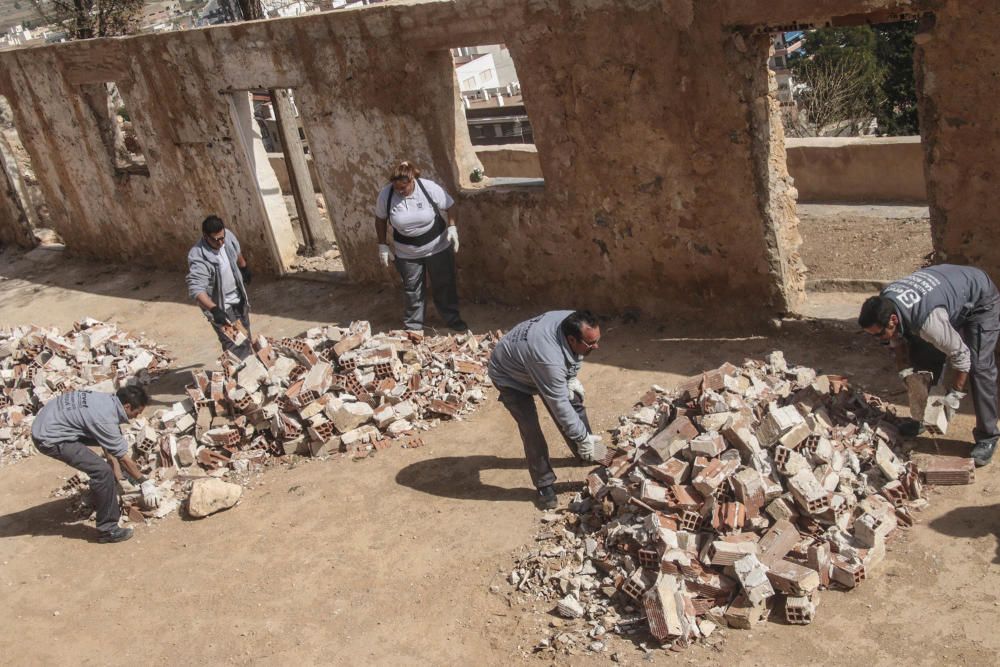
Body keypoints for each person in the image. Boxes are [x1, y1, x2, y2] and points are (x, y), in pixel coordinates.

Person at [858, 264, 1000, 466]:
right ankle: (922, 419)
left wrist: (954, 396)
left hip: (979, 299)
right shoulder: (885, 302)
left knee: (979, 366)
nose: (878, 340)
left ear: (893, 320)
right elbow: (896, 341)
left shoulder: (928, 323)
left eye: (880, 334)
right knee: (923, 358)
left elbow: (961, 355)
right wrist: (906, 373)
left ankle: (988, 437)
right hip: (948, 291)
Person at [488, 310, 605, 509]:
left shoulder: (571, 320)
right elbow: (558, 405)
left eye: (597, 340)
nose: (597, 346)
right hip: (509, 376)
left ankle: (590, 452)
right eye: (591, 343)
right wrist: (581, 436)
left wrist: (570, 377)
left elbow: (577, 356)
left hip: (532, 361)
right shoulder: (548, 359)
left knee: (573, 400)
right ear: (571, 339)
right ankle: (544, 484)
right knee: (530, 428)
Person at [31, 387, 158, 543]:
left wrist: (119, 478)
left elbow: (108, 443)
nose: (137, 416)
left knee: (111, 445)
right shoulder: (104, 419)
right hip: (49, 438)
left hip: (50, 421)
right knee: (102, 472)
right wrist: (144, 482)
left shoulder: (107, 402)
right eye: (137, 412)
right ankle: (108, 530)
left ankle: (115, 482)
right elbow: (123, 457)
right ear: (127, 407)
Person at [373, 161, 467, 332]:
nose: (400, 192)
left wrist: (453, 227)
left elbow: (450, 205)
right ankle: (414, 326)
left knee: (444, 283)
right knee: (412, 288)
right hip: (407, 252)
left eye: (403, 188)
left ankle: (452, 319)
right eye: (396, 188)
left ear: (412, 181)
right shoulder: (386, 195)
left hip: (437, 247)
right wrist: (383, 245)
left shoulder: (428, 188)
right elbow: (380, 219)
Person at [187, 215, 253, 358]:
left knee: (246, 336)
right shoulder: (198, 257)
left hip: (238, 296)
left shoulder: (226, 236)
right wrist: (214, 309)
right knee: (234, 343)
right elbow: (196, 289)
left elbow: (236, 250)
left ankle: (254, 369)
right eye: (216, 240)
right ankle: (241, 375)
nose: (221, 242)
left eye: (222, 237)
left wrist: (243, 267)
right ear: (205, 236)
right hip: (221, 306)